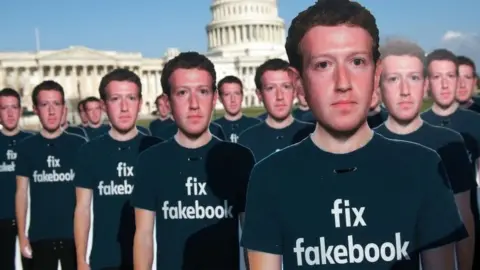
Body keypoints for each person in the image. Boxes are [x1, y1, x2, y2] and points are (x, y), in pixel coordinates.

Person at [241, 1, 466, 269]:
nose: (343, 83)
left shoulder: (424, 167)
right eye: (323, 65)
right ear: (299, 83)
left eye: (357, 62)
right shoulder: (268, 178)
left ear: (376, 74)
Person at [131, 52, 255, 270]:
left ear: (214, 98)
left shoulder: (239, 159)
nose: (194, 104)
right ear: (168, 102)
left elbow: (252, 236)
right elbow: (143, 236)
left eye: (203, 92)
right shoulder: (150, 161)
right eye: (182, 93)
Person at [374, 39, 476, 269]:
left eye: (413, 78)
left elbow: (464, 222)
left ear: (424, 85)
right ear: (378, 87)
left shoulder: (449, 143)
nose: (404, 90)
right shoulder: (365, 147)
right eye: (393, 79)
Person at [73, 68, 162, 270]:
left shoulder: (157, 149)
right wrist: (80, 260)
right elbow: (83, 209)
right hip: (105, 259)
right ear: (104, 105)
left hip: (152, 260)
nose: (124, 107)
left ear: (139, 103)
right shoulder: (89, 151)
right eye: (115, 99)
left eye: (130, 98)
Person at [15, 80, 87, 270]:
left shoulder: (79, 145)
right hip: (40, 236)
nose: (52, 111)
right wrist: (22, 236)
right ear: (36, 109)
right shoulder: (26, 147)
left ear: (64, 108)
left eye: (56, 104)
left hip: (74, 237)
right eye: (45, 105)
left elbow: (87, 198)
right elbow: (21, 193)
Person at [421, 49, 480, 269]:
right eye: (437, 77)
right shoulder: (417, 127)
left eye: (450, 76)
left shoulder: (476, 124)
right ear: (428, 82)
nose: (445, 85)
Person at [238, 58, 314, 161]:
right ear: (259, 95)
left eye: (286, 87)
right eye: (270, 88)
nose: (279, 96)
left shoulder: (314, 134)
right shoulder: (246, 140)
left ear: (295, 92)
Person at [0, 88, 34, 270]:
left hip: (29, 219)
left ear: (21, 111)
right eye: (4, 108)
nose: (10, 113)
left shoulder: (32, 142)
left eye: (14, 107)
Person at [214, 75, 260, 143]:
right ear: (220, 99)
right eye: (227, 94)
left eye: (237, 93)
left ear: (242, 96)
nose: (233, 99)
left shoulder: (257, 125)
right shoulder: (213, 129)